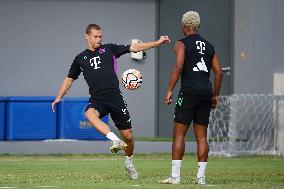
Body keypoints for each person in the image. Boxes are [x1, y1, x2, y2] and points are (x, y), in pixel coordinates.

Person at [51, 24, 170, 180]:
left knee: (128, 136)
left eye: (100, 36)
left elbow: (134, 47)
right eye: (96, 36)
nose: (99, 39)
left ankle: (129, 161)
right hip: (97, 99)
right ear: (87, 36)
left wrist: (157, 42)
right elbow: (69, 79)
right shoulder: (80, 58)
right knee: (89, 113)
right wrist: (59, 96)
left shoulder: (109, 49)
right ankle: (114, 140)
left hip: (115, 97)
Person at [160, 11, 222, 185]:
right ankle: (201, 178)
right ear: (198, 26)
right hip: (206, 93)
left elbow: (178, 67)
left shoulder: (181, 43)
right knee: (202, 137)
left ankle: (175, 177)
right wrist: (215, 94)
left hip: (188, 92)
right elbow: (218, 73)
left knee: (179, 135)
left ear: (184, 27)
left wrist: (170, 90)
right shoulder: (209, 46)